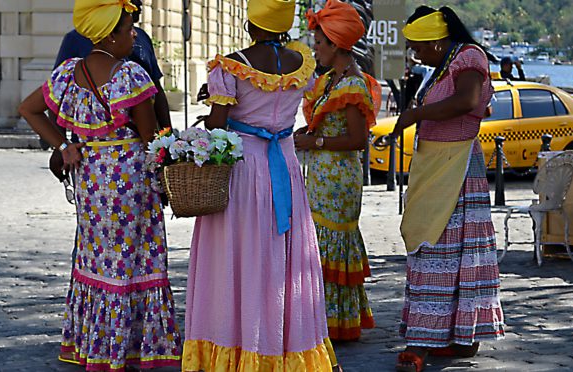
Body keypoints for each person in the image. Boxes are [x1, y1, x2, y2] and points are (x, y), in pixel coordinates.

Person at [18, 0, 182, 370]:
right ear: (109, 35)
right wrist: (171, 165)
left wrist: (64, 146)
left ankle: (95, 344)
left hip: (91, 183)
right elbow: (149, 137)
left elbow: (27, 109)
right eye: (128, 29)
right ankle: (137, 346)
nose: (134, 36)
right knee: (135, 260)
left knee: (98, 259)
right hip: (131, 183)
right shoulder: (131, 76)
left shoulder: (66, 74)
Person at [182, 0, 338, 370]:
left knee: (238, 256)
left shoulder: (230, 65)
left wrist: (210, 116)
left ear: (250, 23)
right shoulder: (302, 64)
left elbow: (219, 127)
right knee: (281, 256)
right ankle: (285, 347)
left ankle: (238, 342)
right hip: (283, 164)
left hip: (243, 170)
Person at [391, 6, 505, 372]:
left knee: (439, 246)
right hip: (437, 164)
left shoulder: (469, 57)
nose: (415, 55)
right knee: (439, 245)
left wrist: (415, 115)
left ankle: (425, 342)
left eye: (418, 48)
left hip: (456, 168)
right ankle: (455, 335)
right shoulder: (446, 62)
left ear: (437, 43)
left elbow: (468, 101)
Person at [294, 0, 380, 342]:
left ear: (335, 43)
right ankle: (326, 319)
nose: (315, 50)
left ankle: (333, 323)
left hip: (339, 181)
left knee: (329, 244)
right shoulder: (331, 80)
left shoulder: (353, 85)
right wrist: (310, 137)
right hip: (322, 176)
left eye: (318, 44)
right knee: (320, 244)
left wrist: (315, 144)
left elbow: (358, 139)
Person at [53, 0, 171, 129]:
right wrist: (61, 144)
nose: (139, 3)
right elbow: (56, 96)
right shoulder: (75, 41)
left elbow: (157, 89)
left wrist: (168, 134)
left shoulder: (141, 37)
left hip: (139, 143)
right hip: (87, 146)